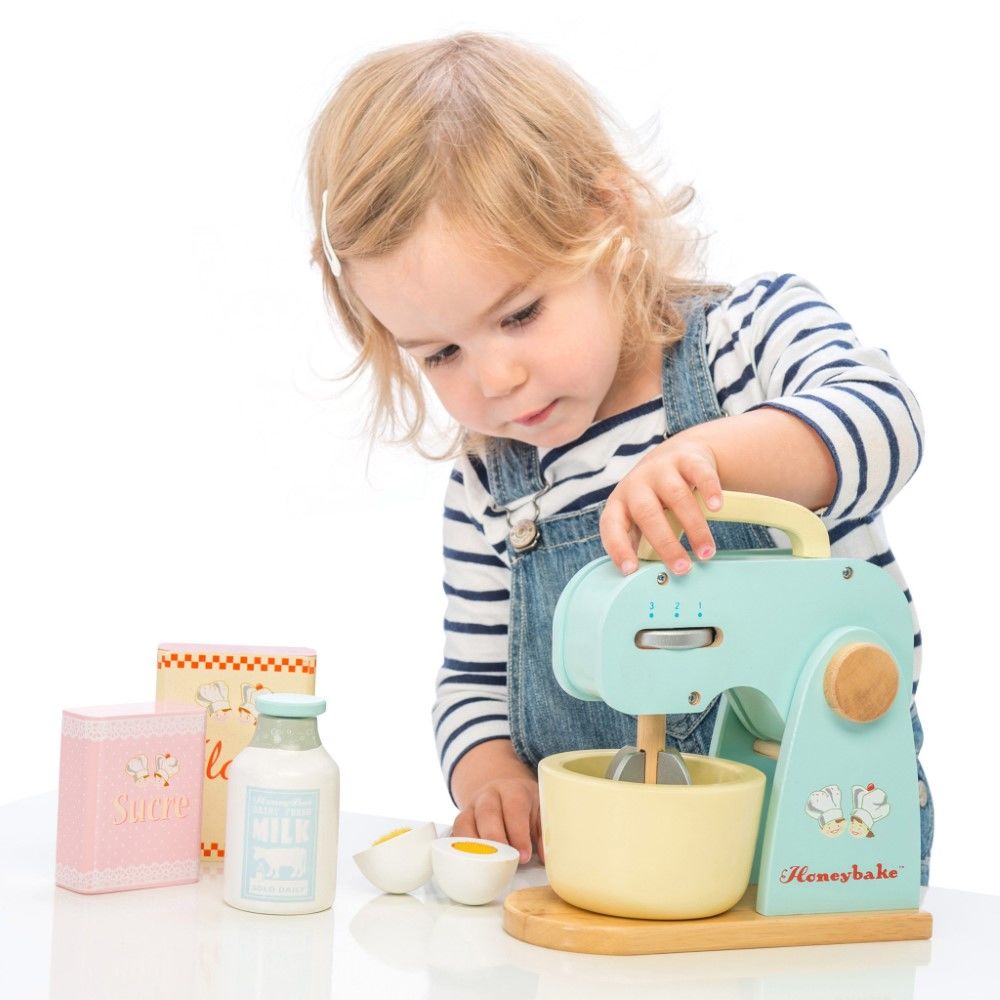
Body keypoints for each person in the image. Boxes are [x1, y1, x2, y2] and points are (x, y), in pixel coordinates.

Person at [305, 32, 932, 884]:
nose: (496, 378)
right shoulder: (492, 487)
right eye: (441, 354)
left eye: (520, 314)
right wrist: (490, 777)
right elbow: (474, 683)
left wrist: (714, 458)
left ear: (609, 220)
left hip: (822, 847)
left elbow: (887, 420)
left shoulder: (750, 341)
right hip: (608, 870)